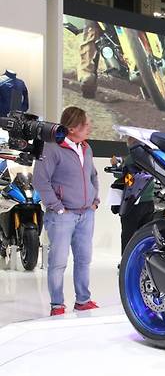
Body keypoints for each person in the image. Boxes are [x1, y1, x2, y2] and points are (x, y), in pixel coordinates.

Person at [33, 106, 100, 316]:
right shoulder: (52, 148)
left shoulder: (86, 148)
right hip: (62, 216)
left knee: (83, 260)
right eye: (85, 124)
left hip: (86, 214)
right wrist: (58, 208)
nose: (89, 127)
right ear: (72, 128)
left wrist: (95, 200)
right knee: (58, 262)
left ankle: (83, 301)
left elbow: (93, 176)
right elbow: (40, 181)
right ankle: (57, 305)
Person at [111, 137, 155, 253]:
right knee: (144, 235)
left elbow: (122, 176)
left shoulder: (131, 158)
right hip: (149, 201)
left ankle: (126, 261)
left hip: (133, 202)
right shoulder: (151, 157)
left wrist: (115, 165)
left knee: (128, 235)